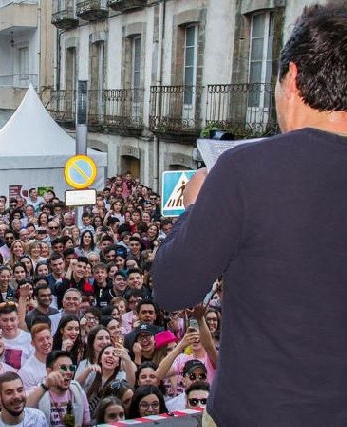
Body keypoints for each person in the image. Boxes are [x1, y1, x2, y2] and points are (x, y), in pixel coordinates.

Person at [152, 4, 347, 426]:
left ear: (292, 77)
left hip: (259, 412)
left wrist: (194, 206)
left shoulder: (245, 170)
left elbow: (173, 288)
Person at [26, 350, 90, 426]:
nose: (69, 372)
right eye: (63, 367)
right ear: (49, 371)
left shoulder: (77, 390)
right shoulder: (38, 392)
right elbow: (25, 410)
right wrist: (45, 385)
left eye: (71, 368)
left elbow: (86, 423)